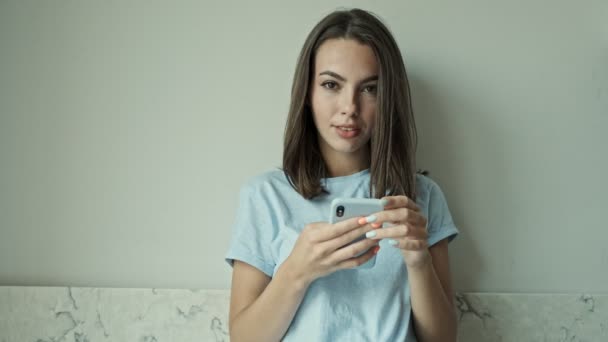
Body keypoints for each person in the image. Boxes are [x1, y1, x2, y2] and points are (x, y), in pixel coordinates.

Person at [225, 8, 459, 342]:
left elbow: (443, 340)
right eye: (331, 85)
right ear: (307, 93)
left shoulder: (422, 197)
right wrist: (298, 270)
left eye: (370, 89)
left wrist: (419, 261)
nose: (349, 107)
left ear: (388, 98)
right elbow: (243, 338)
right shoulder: (265, 196)